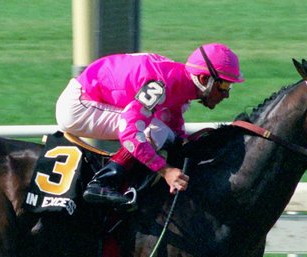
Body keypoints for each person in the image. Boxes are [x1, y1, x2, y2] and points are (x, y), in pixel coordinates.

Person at [55, 43, 243, 207]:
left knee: (166, 135)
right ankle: (102, 183)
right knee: (153, 131)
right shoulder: (161, 85)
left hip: (96, 97)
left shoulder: (180, 84)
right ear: (203, 79)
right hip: (78, 106)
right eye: (224, 86)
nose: (226, 95)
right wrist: (166, 171)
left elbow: (175, 129)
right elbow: (130, 132)